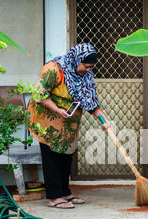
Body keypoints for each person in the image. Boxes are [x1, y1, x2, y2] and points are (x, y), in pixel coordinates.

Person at [27, 43, 109, 209]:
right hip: (47, 119)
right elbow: (38, 93)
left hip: (68, 122)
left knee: (66, 157)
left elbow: (92, 103)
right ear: (76, 59)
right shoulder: (54, 69)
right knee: (52, 156)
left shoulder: (86, 76)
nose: (88, 70)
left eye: (91, 67)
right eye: (86, 66)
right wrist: (57, 109)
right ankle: (55, 196)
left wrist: (105, 121)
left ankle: (65, 192)